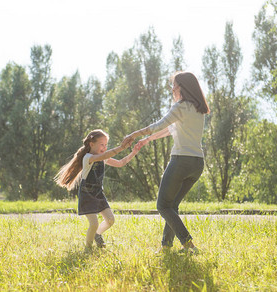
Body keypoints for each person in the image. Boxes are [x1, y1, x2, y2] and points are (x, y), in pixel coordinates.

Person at [124, 71, 210, 254]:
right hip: (197, 163)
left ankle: (189, 245)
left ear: (182, 88)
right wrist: (147, 140)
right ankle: (166, 247)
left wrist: (133, 135)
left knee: (163, 206)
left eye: (174, 85)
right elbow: (171, 129)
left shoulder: (180, 106)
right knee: (172, 206)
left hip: (181, 161)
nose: (172, 89)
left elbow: (159, 125)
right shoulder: (199, 109)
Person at [54, 129, 139, 251]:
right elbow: (104, 156)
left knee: (110, 220)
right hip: (87, 194)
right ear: (91, 144)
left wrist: (133, 153)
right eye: (101, 144)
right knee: (94, 223)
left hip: (98, 193)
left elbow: (120, 163)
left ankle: (97, 235)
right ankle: (88, 249)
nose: (104, 147)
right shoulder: (88, 157)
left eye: (106, 145)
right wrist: (121, 147)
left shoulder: (103, 157)